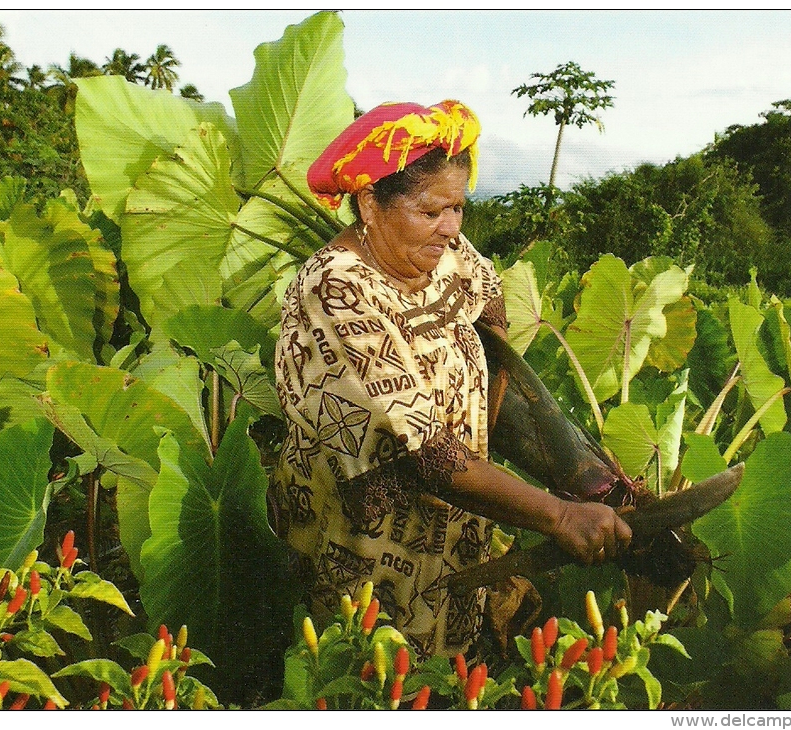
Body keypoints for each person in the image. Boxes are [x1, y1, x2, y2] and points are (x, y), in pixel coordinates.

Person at [268, 100, 631, 660]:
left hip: (460, 524)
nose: (452, 228)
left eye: (459, 208)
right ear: (369, 203)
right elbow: (425, 453)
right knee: (377, 680)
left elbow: (490, 322)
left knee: (457, 674)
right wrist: (557, 515)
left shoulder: (447, 252)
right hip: (365, 543)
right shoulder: (335, 292)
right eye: (432, 211)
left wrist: (574, 471)